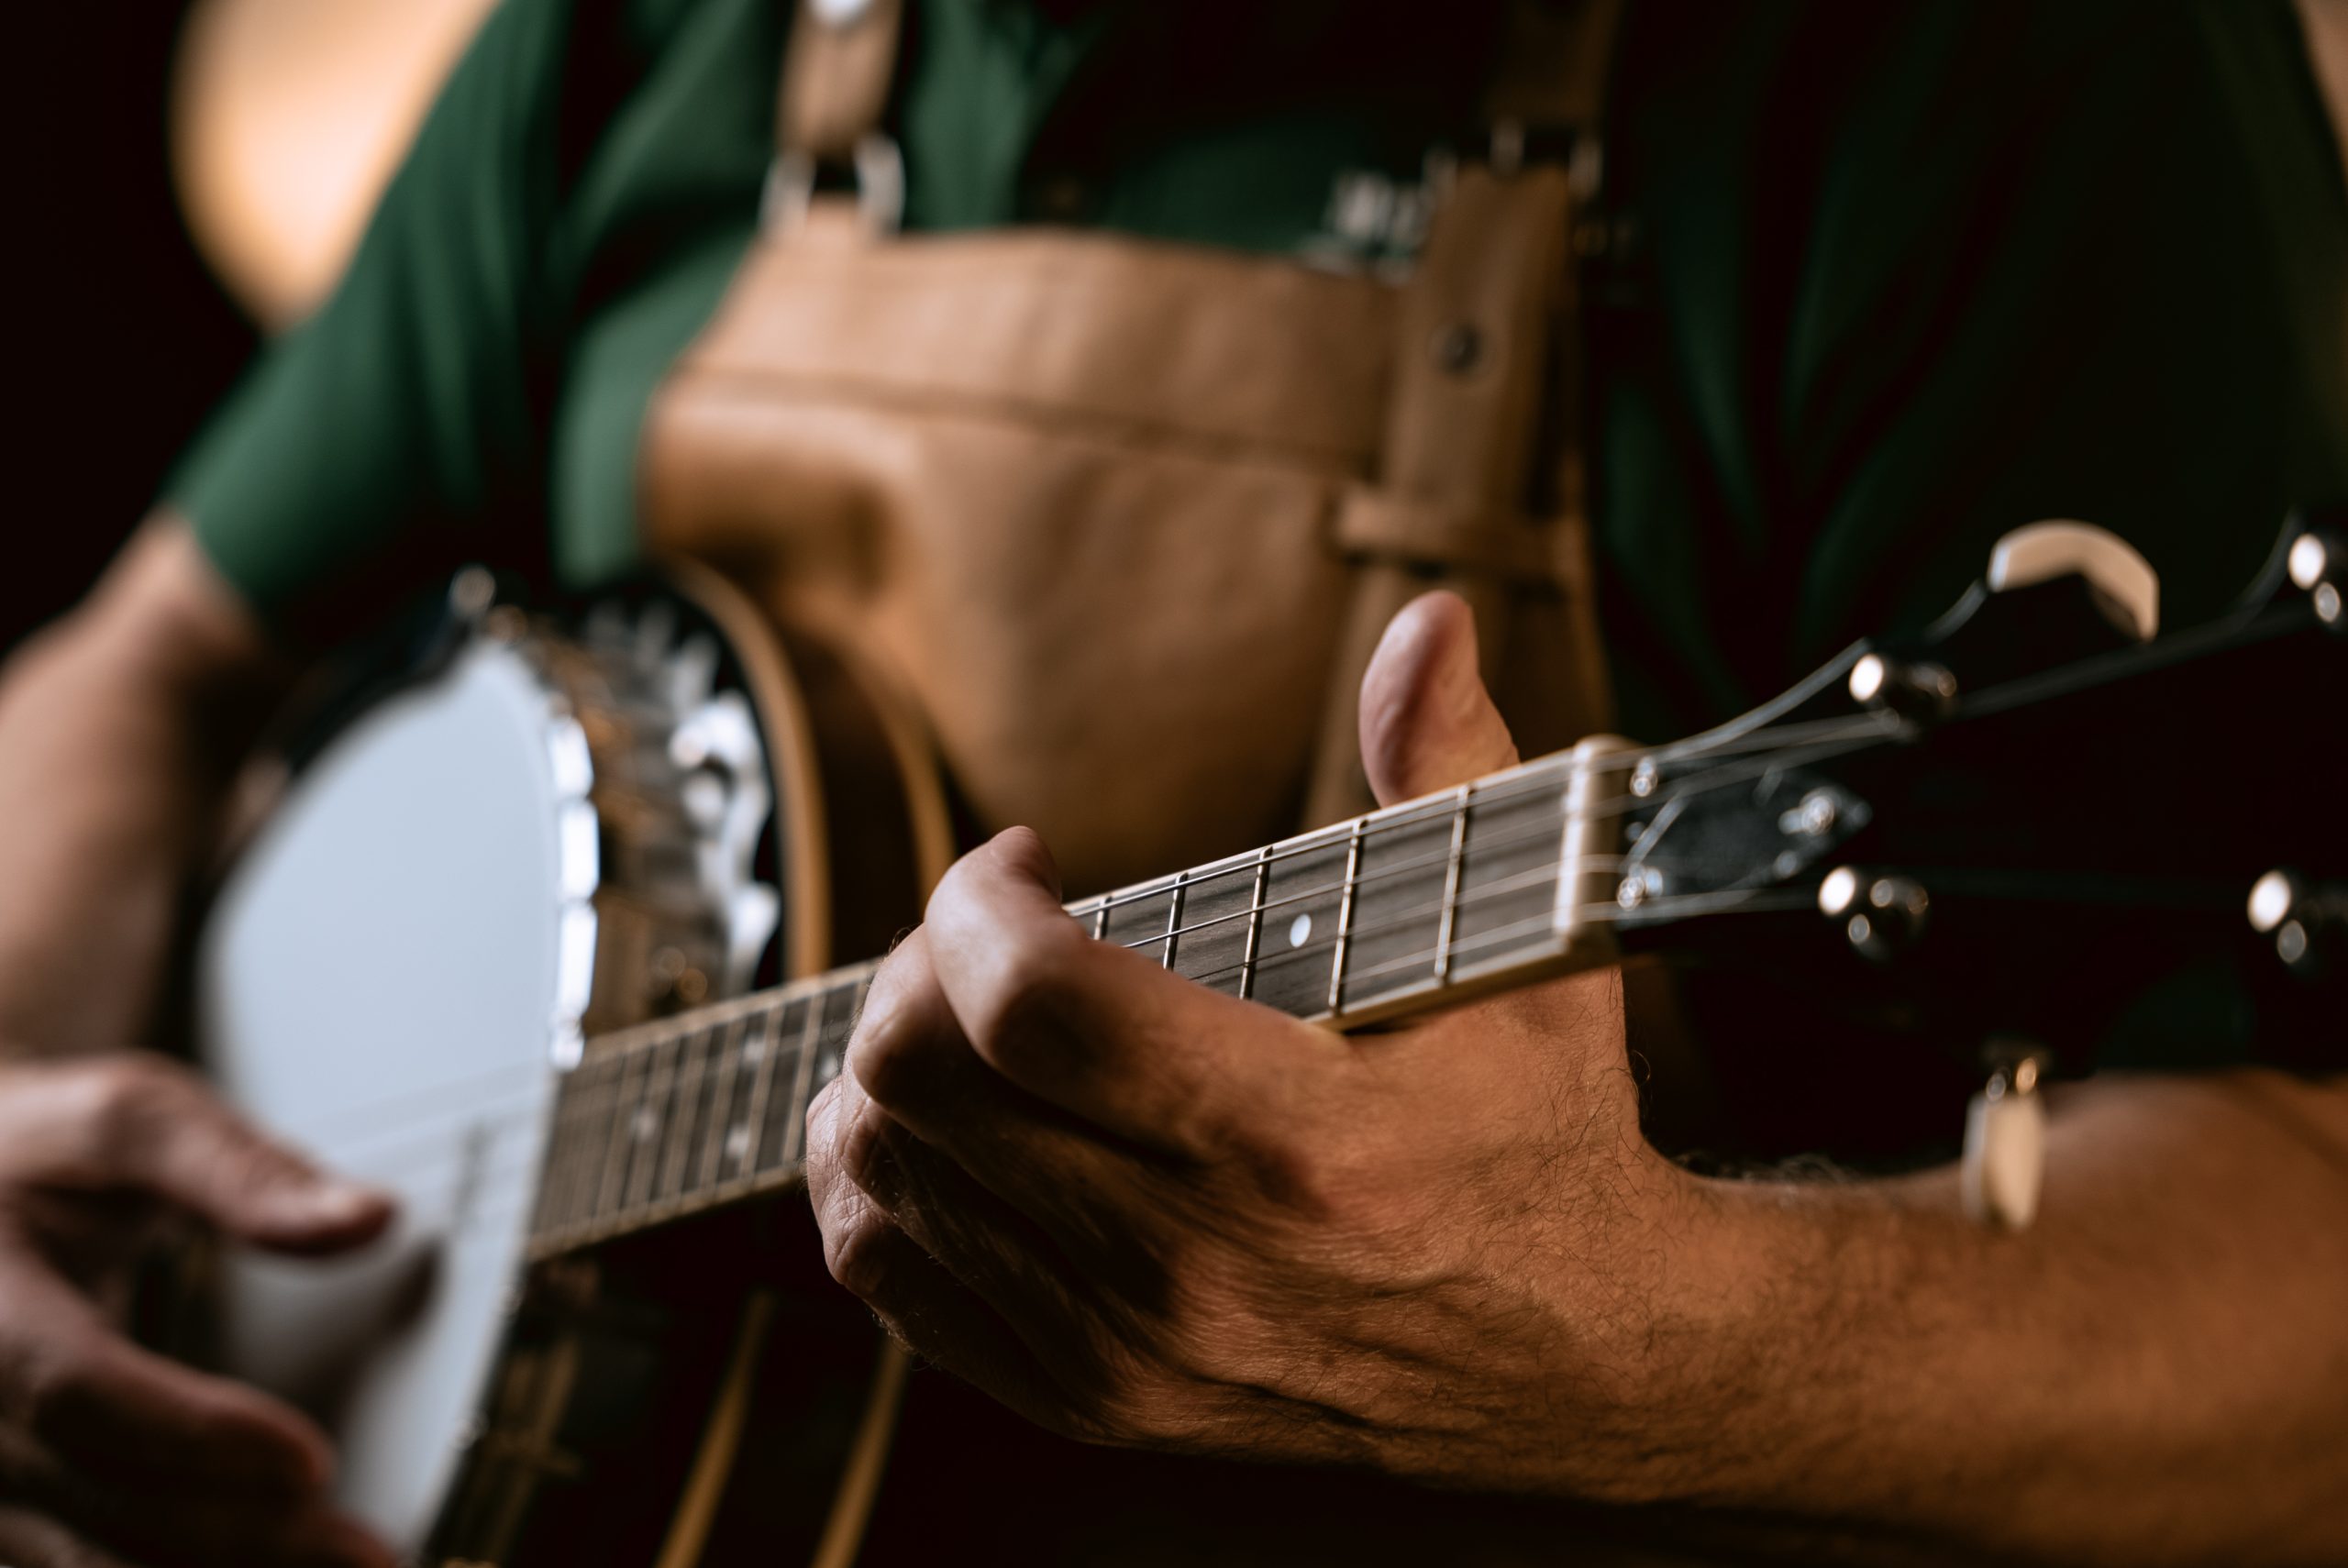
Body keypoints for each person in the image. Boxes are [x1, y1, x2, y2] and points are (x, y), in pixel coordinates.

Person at [3, 2, 2344, 1564]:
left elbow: (2308, 1276)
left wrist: (1647, 1343)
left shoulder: (2003, 74)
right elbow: (144, 659)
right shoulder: (642, 42)